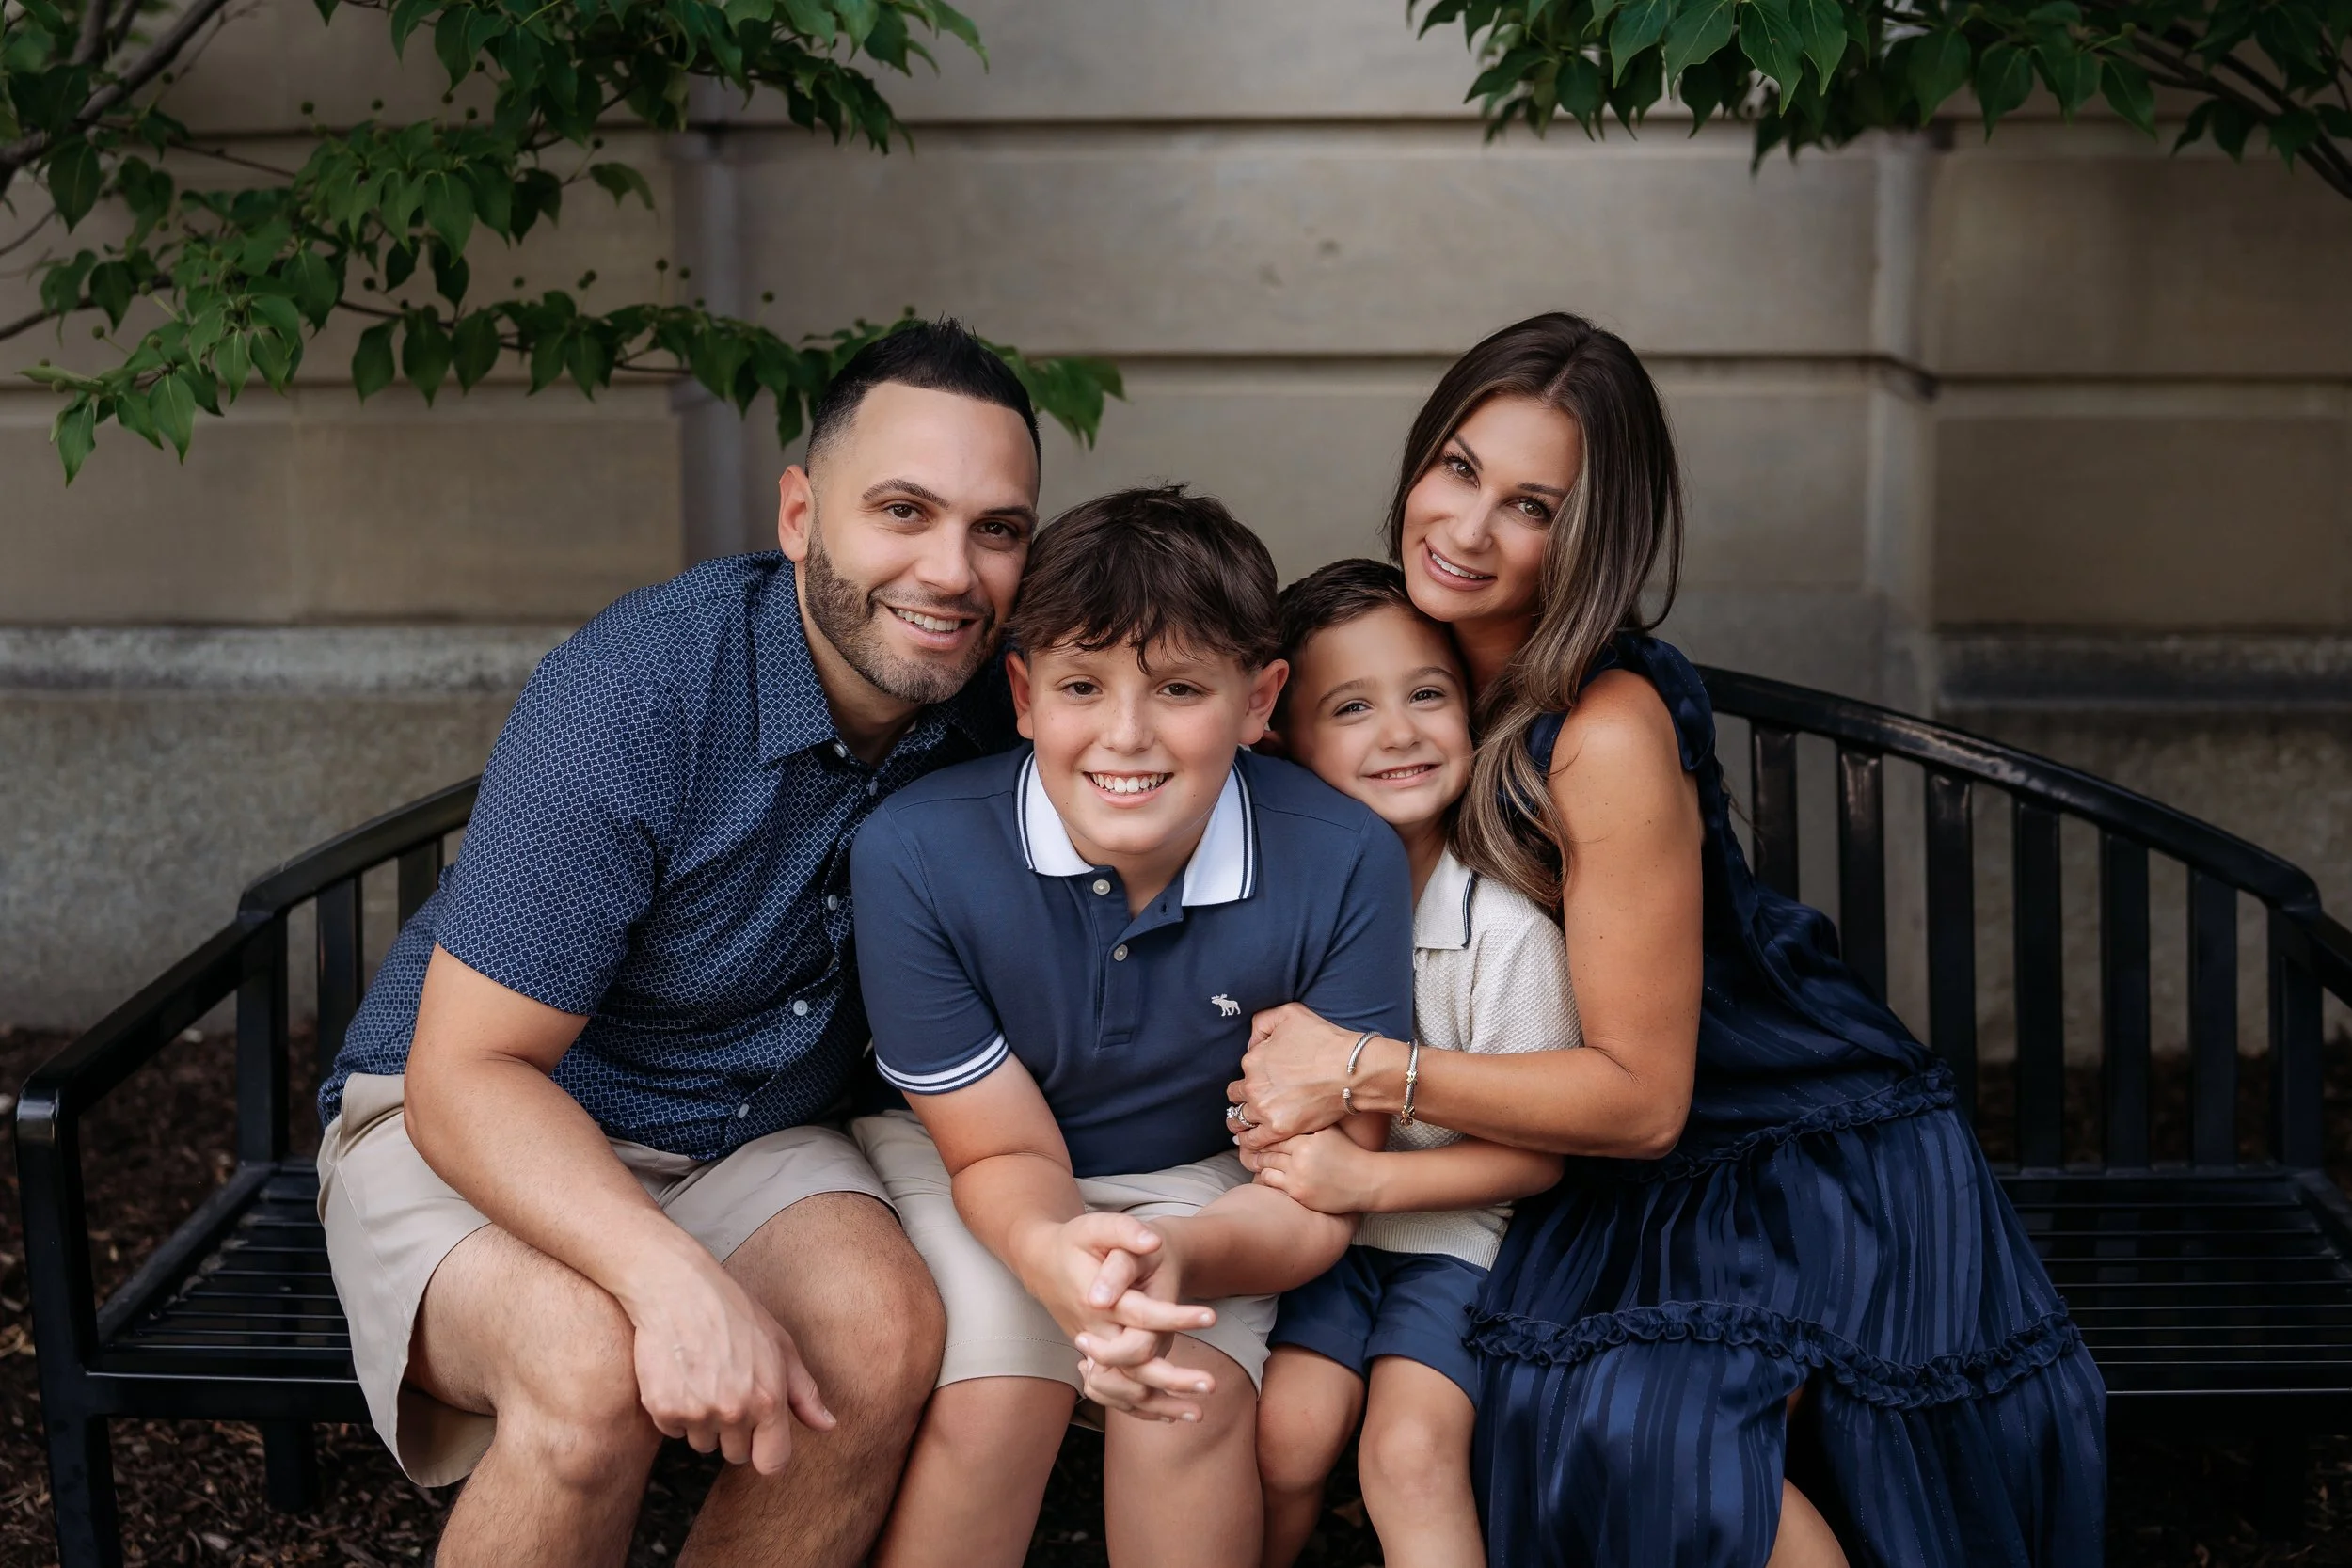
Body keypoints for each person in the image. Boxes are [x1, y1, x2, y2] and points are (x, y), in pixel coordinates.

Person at [1228, 313, 2108, 1567]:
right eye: (1460, 469)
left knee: (1639, 1426)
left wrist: (1359, 1069)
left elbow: (1644, 1101)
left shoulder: (1604, 728)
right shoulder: (1412, 675)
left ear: (1592, 533)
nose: (1469, 529)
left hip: (1776, 1149)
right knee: (1533, 1405)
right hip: (1577, 1161)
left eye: (1533, 504)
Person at [313, 319, 1043, 1568]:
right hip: (487, 1116)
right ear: (802, 513)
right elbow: (467, 1073)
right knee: (587, 1370)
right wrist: (664, 1273)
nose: (952, 569)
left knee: (878, 1329)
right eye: (905, 510)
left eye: (998, 529)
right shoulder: (643, 690)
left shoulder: (997, 700)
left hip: (755, 1130)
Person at [844, 486, 1415, 1568]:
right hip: (970, 1162)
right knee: (997, 1395)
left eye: (1180, 688)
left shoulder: (1341, 860)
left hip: (1204, 1179)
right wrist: (1059, 1254)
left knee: (1182, 1395)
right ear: (1021, 692)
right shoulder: (918, 851)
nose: (1125, 733)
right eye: (1079, 685)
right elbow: (998, 1148)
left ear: (1260, 700)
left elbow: (1326, 1186)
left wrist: (1170, 1263)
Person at [1248, 560, 1569, 1568]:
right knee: (1287, 1430)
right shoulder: (1274, 911)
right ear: (1284, 738)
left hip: (1459, 1242)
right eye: (1350, 706)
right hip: (1318, 1234)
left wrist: (1373, 1178)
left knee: (1407, 1452)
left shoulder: (1503, 929)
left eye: (1426, 693)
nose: (1398, 730)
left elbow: (1538, 1156)